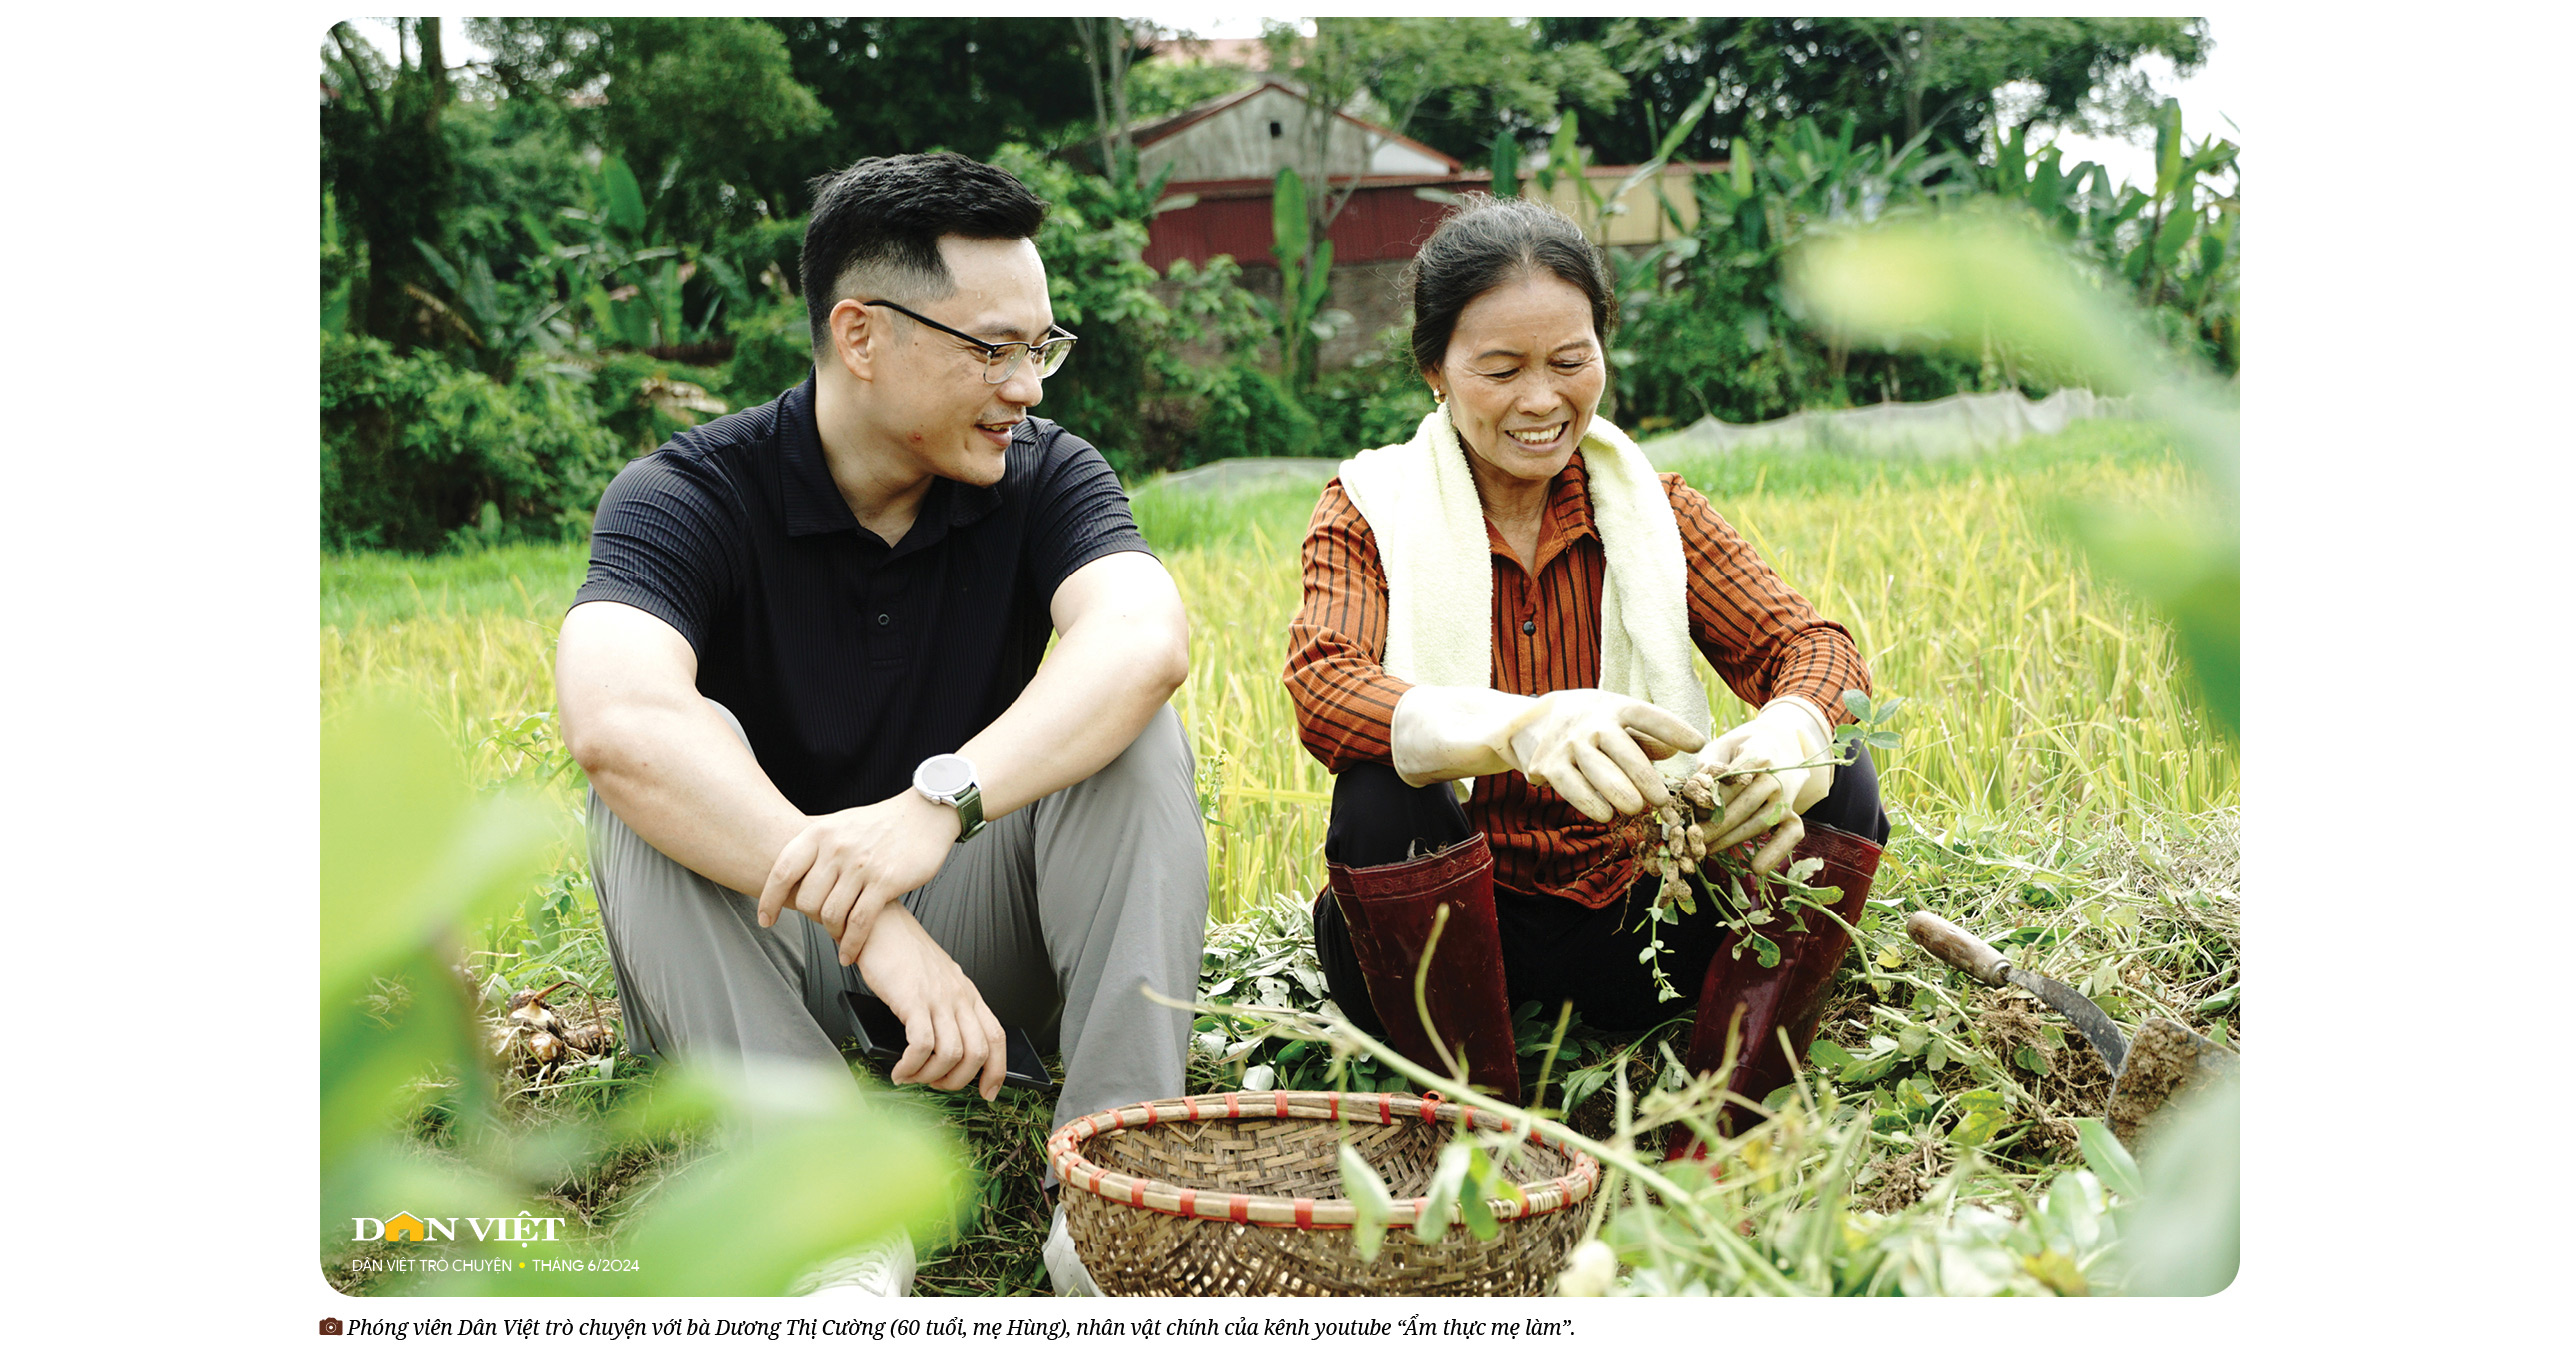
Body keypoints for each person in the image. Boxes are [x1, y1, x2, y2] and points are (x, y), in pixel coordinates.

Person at [555, 152, 1207, 1295]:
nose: (1028, 387)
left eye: (1040, 350)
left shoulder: (1043, 475)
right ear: (860, 335)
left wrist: (938, 804)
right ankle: (823, 1206)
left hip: (978, 938)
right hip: (758, 949)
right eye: (991, 349)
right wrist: (872, 925)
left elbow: (1142, 640)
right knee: (635, 795)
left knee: (1137, 736)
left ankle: (1115, 1199)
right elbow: (615, 714)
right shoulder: (686, 494)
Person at [1282, 195, 1891, 1137]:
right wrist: (1519, 727)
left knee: (1840, 770)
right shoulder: (1371, 509)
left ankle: (1720, 1131)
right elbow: (1326, 686)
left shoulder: (1652, 513)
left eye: (1571, 363)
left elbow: (1813, 648)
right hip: (1456, 927)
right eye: (1500, 369)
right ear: (1434, 369)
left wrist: (1789, 733)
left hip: (1644, 909)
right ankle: (1481, 1136)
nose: (1541, 400)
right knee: (1381, 791)